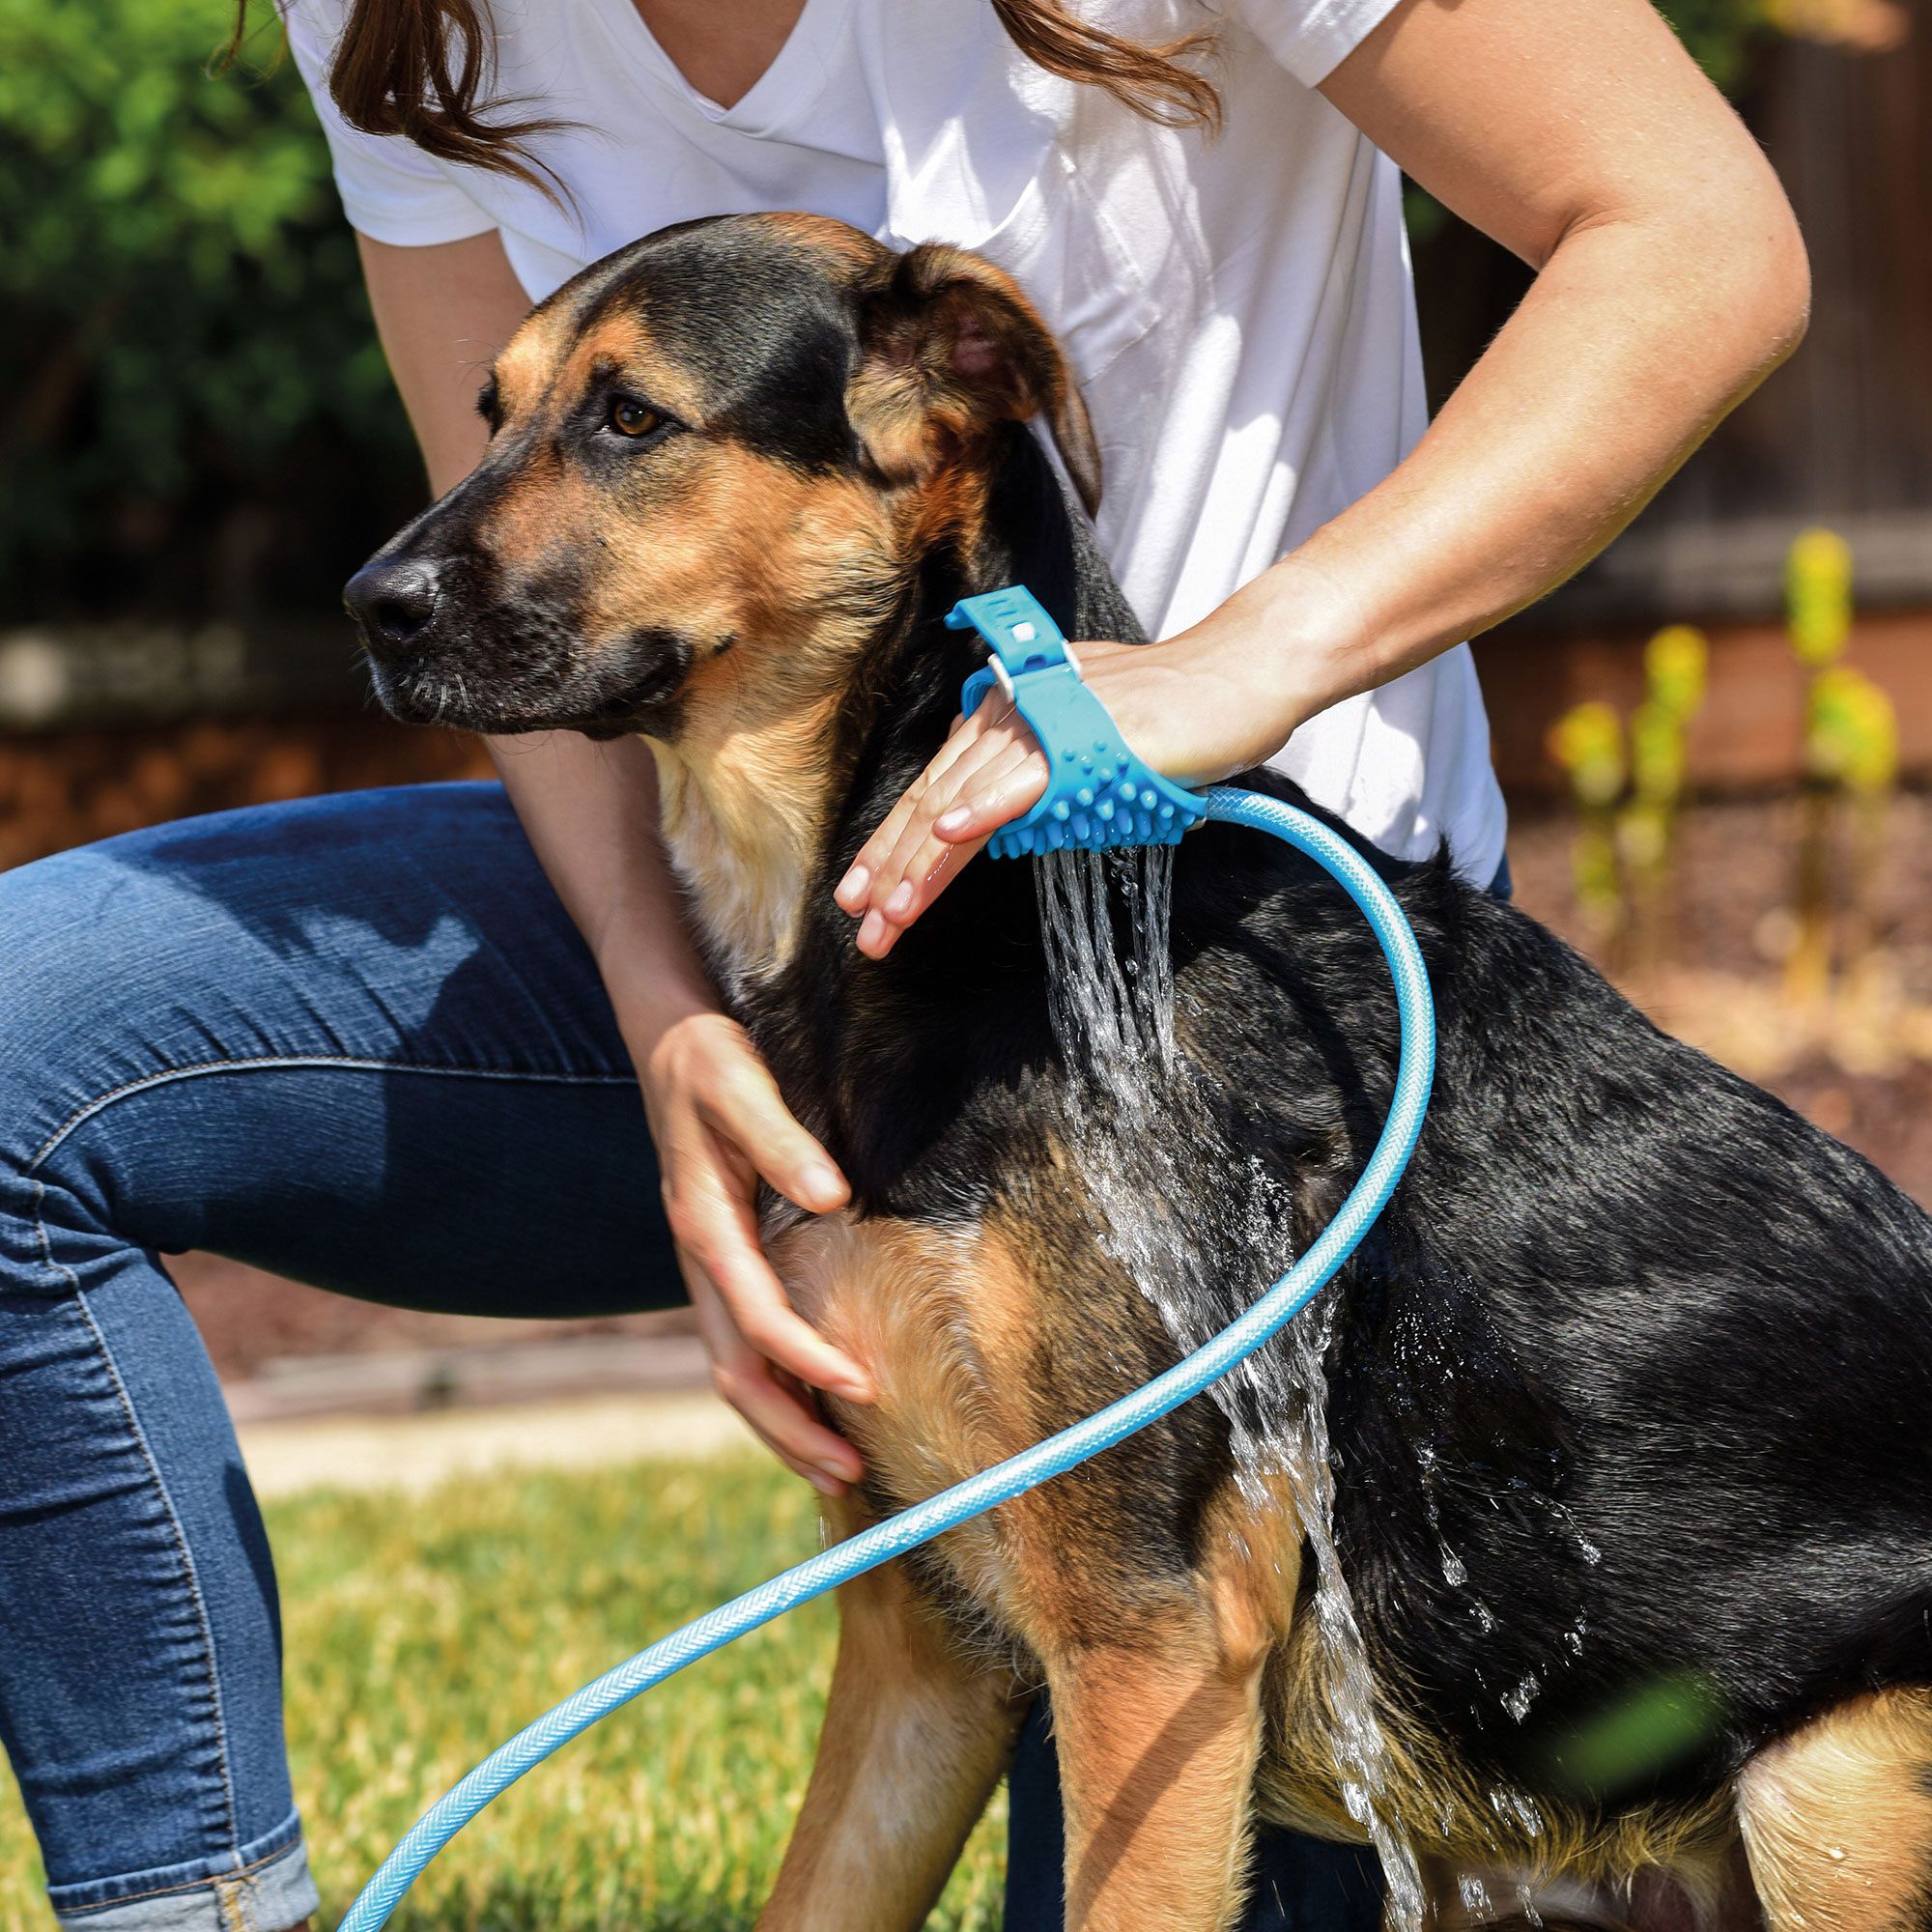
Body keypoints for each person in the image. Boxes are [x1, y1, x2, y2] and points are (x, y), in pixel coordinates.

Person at [0, 0, 1806, 1926]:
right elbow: (525, 608)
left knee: (1158, 1691)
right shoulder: (397, 14)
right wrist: (657, 999)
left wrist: (1246, 658)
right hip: (739, 909)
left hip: (1225, 983)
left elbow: (1696, 237)